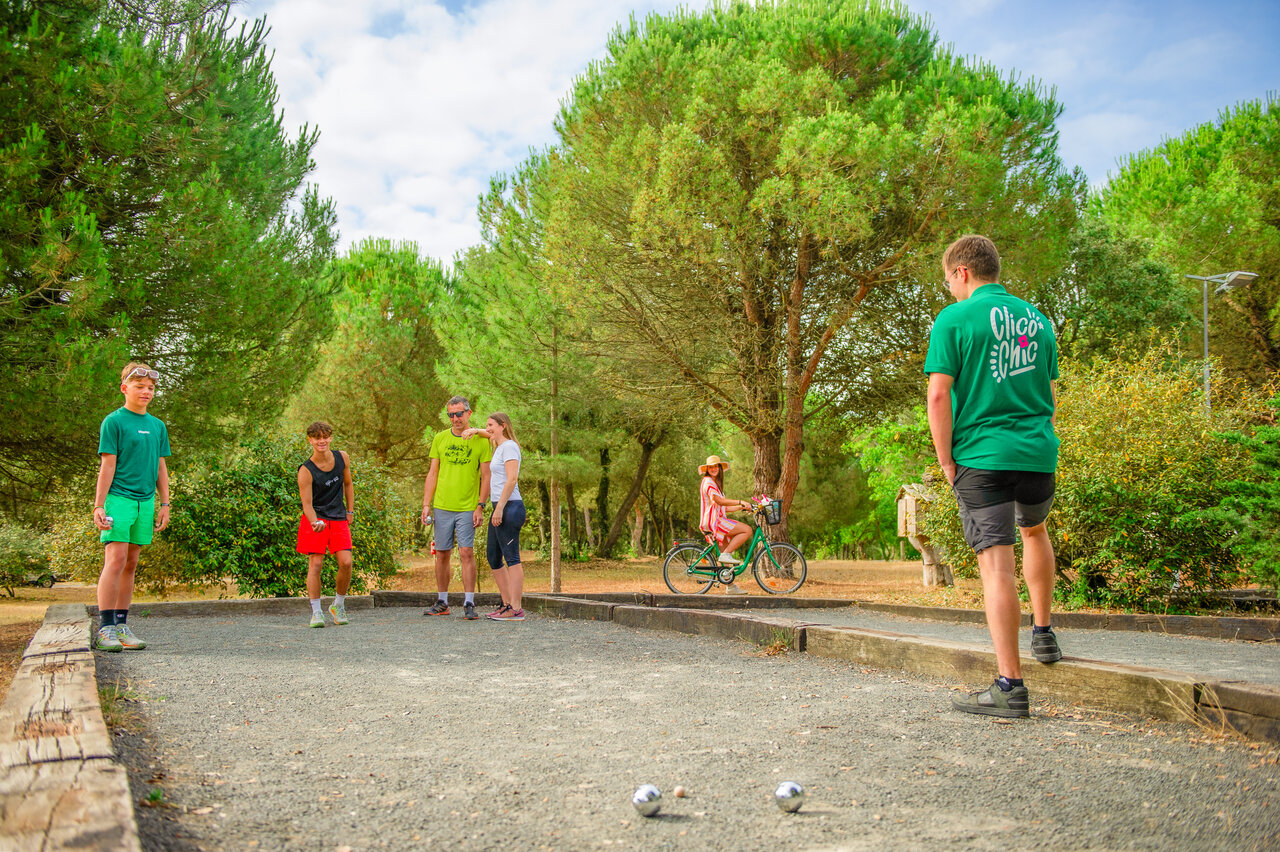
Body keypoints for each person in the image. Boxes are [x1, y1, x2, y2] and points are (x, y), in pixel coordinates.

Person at [924, 234, 1063, 719]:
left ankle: (1010, 686)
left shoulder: (955, 319)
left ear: (962, 272)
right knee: (1036, 529)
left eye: (949, 281)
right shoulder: (1038, 321)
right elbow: (1046, 390)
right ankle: (1043, 630)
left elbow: (939, 396)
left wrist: (946, 462)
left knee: (996, 566)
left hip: (983, 457)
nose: (949, 290)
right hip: (1038, 454)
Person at [91, 362, 171, 652]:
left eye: (150, 388)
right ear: (125, 388)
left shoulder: (158, 426)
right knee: (116, 558)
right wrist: (99, 506)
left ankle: (122, 625)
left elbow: (161, 466)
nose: (146, 392)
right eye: (140, 387)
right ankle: (105, 628)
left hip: (145, 501)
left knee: (132, 562)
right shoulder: (113, 422)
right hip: (119, 499)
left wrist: (165, 503)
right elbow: (107, 465)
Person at [421, 396, 492, 620]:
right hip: (442, 505)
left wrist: (480, 506)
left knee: (466, 552)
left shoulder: (481, 441)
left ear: (469, 414)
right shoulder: (440, 439)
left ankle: (469, 602)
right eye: (451, 415)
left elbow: (486, 475)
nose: (455, 418)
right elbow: (432, 473)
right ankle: (442, 601)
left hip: (467, 507)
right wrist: (426, 504)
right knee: (442, 553)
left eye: (459, 414)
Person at [464, 412, 526, 621]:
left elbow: (512, 480)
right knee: (493, 556)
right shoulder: (497, 444)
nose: (487, 428)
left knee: (512, 557)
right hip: (500, 506)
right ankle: (507, 603)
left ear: (503, 426)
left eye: (491, 424)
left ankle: (516, 609)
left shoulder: (509, 447)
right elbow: (486, 434)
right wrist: (474, 431)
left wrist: (499, 509)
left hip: (510, 507)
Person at [296, 421, 355, 628]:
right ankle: (316, 612)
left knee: (346, 562)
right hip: (317, 518)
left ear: (330, 438)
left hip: (338, 517)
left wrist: (350, 510)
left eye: (325, 437)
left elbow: (348, 484)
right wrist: (314, 522)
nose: (321, 441)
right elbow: (307, 504)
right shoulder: (306, 470)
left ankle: (338, 605)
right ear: (310, 440)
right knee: (316, 564)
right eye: (316, 438)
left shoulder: (342, 457)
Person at [697, 455, 752, 595]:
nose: (714, 469)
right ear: (707, 469)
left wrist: (741, 507)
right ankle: (727, 555)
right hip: (714, 521)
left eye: (716, 466)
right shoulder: (708, 481)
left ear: (720, 468)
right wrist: (740, 501)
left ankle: (730, 586)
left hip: (714, 520)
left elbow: (723, 507)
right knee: (747, 530)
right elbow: (718, 501)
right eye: (711, 467)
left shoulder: (715, 484)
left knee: (723, 556)